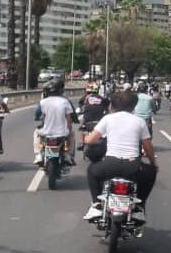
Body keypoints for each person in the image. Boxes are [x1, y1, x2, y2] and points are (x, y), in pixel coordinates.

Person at [83, 89, 159, 221]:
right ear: (133, 106)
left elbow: (89, 140)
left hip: (109, 165)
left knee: (91, 170)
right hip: (133, 167)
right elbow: (148, 147)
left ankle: (96, 205)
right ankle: (139, 207)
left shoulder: (108, 119)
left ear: (112, 106)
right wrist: (153, 164)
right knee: (151, 173)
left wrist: (87, 138)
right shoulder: (140, 121)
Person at [35, 78, 75, 165]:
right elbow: (70, 118)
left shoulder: (43, 102)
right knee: (71, 134)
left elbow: (37, 114)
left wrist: (38, 117)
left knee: (36, 133)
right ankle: (68, 155)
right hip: (62, 133)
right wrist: (69, 128)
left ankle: (38, 154)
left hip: (47, 132)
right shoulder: (65, 101)